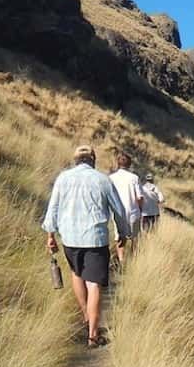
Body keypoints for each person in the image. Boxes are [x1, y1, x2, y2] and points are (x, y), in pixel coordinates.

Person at [43, 145, 130, 348]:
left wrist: (50, 236)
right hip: (95, 239)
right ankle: (92, 334)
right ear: (93, 160)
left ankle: (86, 315)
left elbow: (53, 208)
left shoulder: (63, 179)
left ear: (75, 160)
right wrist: (123, 234)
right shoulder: (102, 180)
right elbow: (118, 210)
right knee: (94, 284)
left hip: (70, 239)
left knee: (77, 274)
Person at [108, 152, 143, 264]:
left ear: (117, 163)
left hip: (118, 213)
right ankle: (133, 260)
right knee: (135, 239)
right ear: (129, 164)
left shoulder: (111, 178)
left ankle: (121, 260)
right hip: (133, 212)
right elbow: (140, 197)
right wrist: (140, 209)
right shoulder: (134, 178)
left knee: (120, 238)